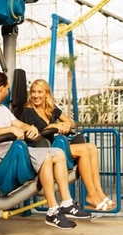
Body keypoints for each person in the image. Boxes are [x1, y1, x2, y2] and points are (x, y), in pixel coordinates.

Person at [0, 71, 91, 230]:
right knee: (46, 156)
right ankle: (53, 210)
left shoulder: (2, 109)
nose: (8, 92)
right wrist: (10, 130)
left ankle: (67, 203)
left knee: (58, 154)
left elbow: (19, 124)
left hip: (13, 152)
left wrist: (31, 128)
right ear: (1, 89)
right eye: (7, 88)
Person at [18, 79, 115, 211]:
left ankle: (99, 192)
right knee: (84, 151)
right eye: (33, 92)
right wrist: (52, 126)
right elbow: (32, 136)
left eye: (39, 92)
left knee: (92, 147)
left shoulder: (51, 109)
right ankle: (91, 195)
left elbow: (71, 122)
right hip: (42, 151)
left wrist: (66, 125)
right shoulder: (27, 112)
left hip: (55, 147)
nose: (36, 95)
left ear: (47, 94)